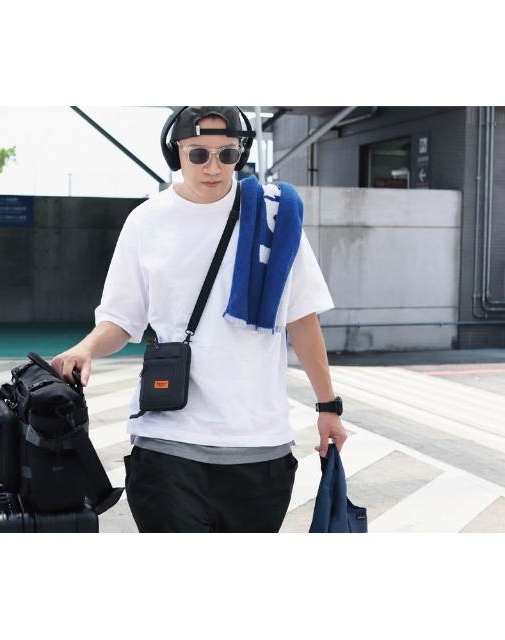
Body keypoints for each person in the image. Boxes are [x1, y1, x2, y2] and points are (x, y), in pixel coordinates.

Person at [50, 106, 347, 532]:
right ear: (176, 152)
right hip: (168, 444)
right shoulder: (146, 221)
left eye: (227, 154)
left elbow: (302, 318)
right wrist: (86, 348)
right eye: (199, 154)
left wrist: (328, 406)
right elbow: (121, 318)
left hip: (259, 446)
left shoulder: (274, 219)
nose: (213, 167)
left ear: (241, 154)